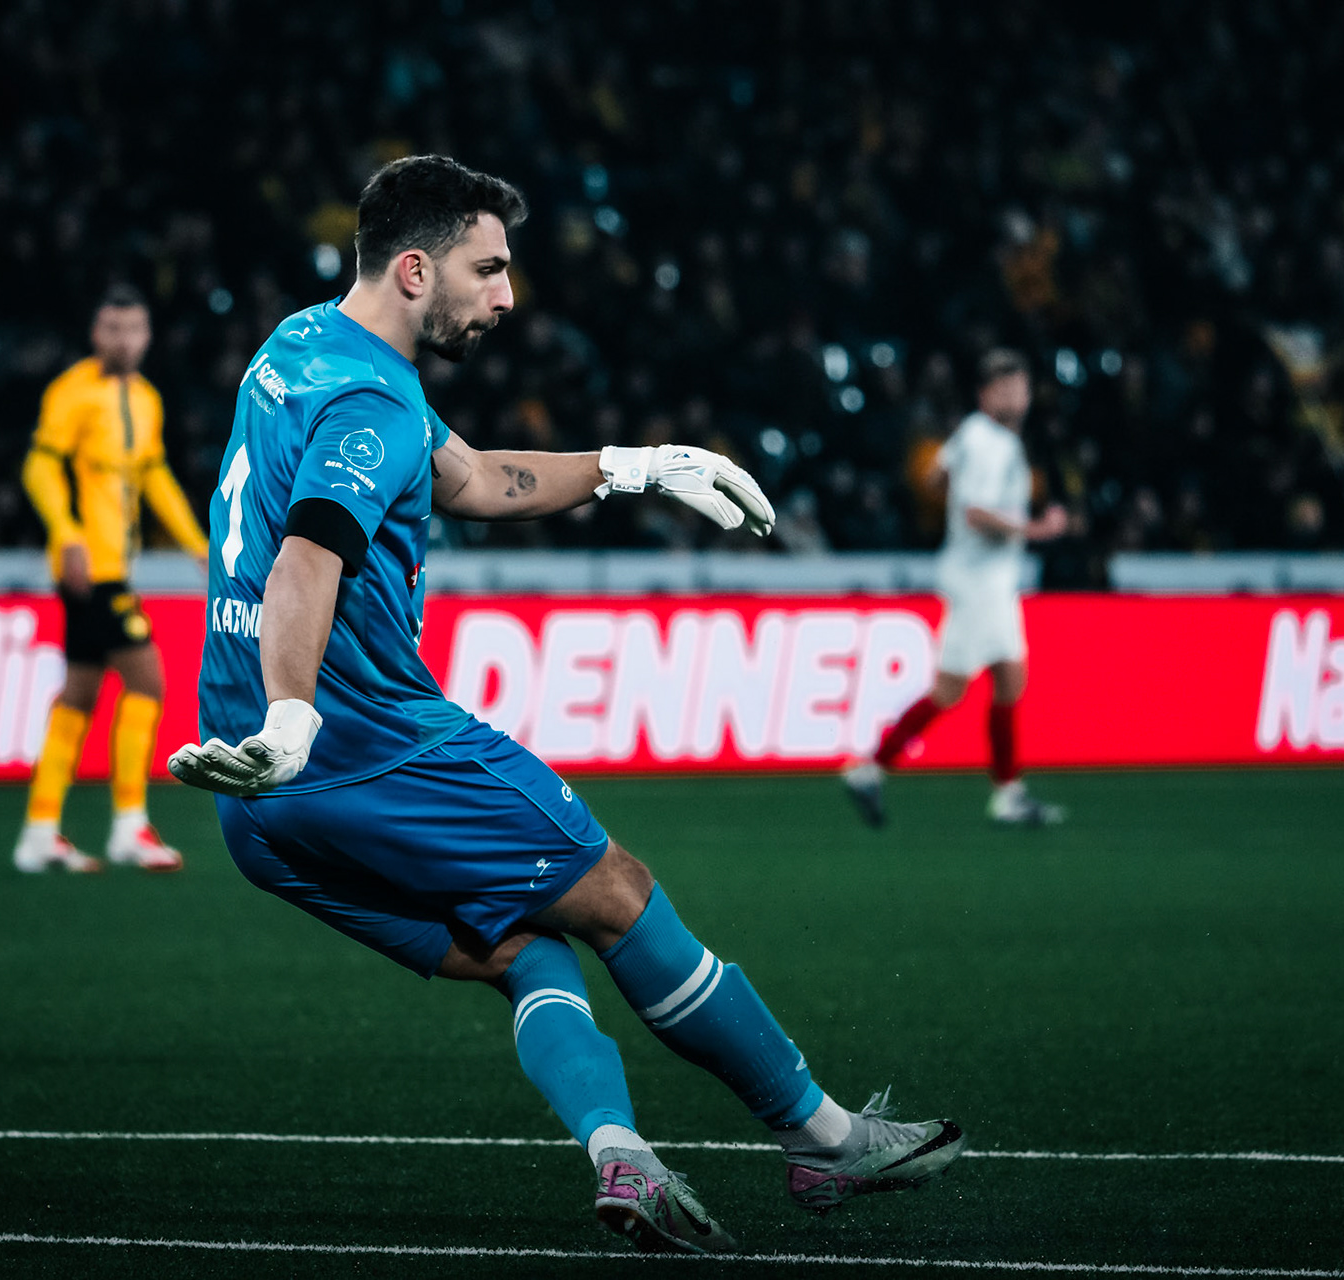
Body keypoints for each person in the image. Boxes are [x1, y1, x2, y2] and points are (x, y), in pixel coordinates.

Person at [167, 155, 964, 1254]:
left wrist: (641, 464)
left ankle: (620, 1156)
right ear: (413, 269)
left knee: (522, 946)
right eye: (486, 269)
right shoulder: (374, 403)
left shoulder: (299, 348)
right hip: (367, 750)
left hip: (260, 810)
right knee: (620, 894)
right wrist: (295, 716)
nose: (506, 295)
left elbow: (478, 479)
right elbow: (311, 555)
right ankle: (823, 1135)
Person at [15, 285, 210, 873]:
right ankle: (129, 825)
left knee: (77, 696)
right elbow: (40, 464)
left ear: (147, 336)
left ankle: (40, 832)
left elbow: (154, 478)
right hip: (90, 570)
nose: (123, 340)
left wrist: (199, 546)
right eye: (112, 328)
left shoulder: (146, 400)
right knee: (148, 682)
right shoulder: (72, 393)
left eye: (133, 329)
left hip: (108, 570)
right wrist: (67, 532)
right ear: (95, 334)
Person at [843, 349, 1069, 828]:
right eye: (1006, 388)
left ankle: (1006, 790)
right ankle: (871, 768)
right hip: (980, 581)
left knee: (1007, 679)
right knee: (952, 689)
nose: (1017, 396)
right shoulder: (993, 444)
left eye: (1021, 387)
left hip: (983, 578)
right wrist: (1037, 530)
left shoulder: (972, 433)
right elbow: (974, 513)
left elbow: (934, 475)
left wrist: (951, 483)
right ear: (986, 395)